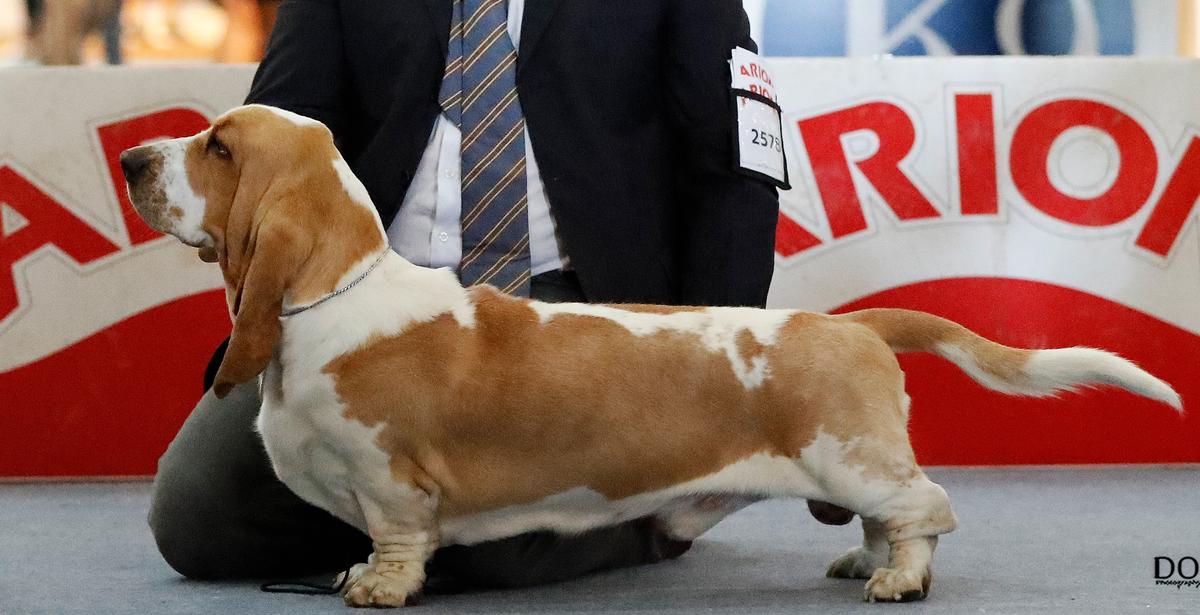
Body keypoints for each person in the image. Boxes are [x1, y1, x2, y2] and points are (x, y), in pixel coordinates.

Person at [148, 0, 780, 589]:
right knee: (196, 521)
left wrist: (708, 370)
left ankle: (648, 522)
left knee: (492, 539)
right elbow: (276, 129)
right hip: (370, 299)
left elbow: (734, 166)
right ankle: (426, 517)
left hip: (577, 305)